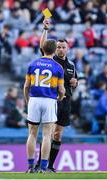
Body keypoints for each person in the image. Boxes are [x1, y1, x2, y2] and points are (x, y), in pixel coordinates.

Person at [36, 19, 78, 172]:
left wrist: (75, 82)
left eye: (63, 47)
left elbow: (75, 81)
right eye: (58, 47)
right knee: (49, 133)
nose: (60, 49)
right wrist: (45, 29)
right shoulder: (51, 60)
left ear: (67, 48)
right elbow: (42, 46)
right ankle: (40, 164)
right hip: (53, 101)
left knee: (58, 135)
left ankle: (51, 166)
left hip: (66, 103)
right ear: (55, 49)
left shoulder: (71, 65)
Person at [24, 39, 65, 173]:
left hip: (34, 100)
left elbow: (26, 86)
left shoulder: (32, 64)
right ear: (54, 50)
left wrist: (27, 100)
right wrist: (59, 98)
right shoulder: (58, 67)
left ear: (43, 48)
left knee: (32, 133)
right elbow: (61, 90)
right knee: (47, 135)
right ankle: (42, 167)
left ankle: (30, 166)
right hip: (49, 101)